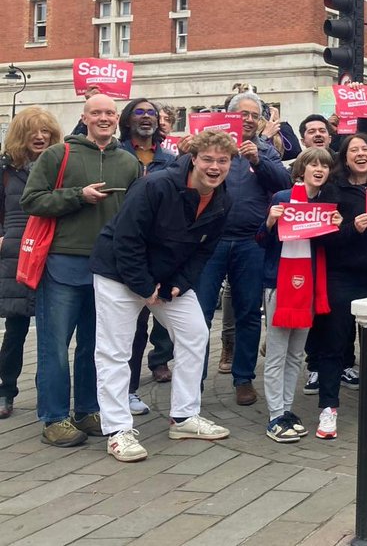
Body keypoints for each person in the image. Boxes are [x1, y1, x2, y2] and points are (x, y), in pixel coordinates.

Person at [90, 129, 236, 462]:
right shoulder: (155, 185)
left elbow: (205, 251)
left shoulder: (223, 199)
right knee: (115, 350)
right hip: (117, 273)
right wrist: (143, 287)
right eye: (209, 159)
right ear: (194, 158)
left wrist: (179, 284)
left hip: (166, 278)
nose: (215, 167)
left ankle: (184, 416)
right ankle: (117, 431)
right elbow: (126, 240)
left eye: (223, 161)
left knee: (196, 334)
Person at [21, 94, 141, 447]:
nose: (103, 118)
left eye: (109, 113)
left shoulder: (129, 162)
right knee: (54, 347)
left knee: (95, 346)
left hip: (107, 269)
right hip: (62, 264)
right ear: (84, 117)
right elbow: (31, 201)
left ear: (117, 118)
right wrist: (77, 195)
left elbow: (136, 215)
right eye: (96, 113)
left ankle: (88, 410)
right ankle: (55, 417)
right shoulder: (58, 155)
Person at [187, 91, 292, 406]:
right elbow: (185, 177)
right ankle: (193, 381)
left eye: (252, 114)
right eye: (241, 113)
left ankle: (243, 378)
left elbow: (282, 183)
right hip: (210, 241)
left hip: (251, 242)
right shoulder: (211, 148)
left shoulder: (262, 149)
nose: (247, 119)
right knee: (199, 313)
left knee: (248, 312)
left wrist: (258, 162)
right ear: (229, 115)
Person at [309, 134, 367, 439]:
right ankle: (328, 409)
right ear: (344, 158)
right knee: (334, 342)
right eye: (353, 151)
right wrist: (352, 229)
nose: (360, 154)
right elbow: (321, 237)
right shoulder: (332, 191)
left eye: (365, 149)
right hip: (343, 277)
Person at [259, 148, 344, 442]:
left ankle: (285, 408)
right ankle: (274, 415)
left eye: (325, 165)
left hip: (310, 284)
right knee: (277, 352)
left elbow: (329, 247)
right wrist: (270, 220)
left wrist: (336, 228)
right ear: (302, 169)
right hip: (280, 282)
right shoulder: (283, 198)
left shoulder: (325, 205)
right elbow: (261, 239)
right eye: (313, 164)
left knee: (296, 353)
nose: (319, 169)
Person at [0, 107, 61, 419]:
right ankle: (5, 389)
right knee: (16, 326)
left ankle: (47, 393)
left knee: (53, 331)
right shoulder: (6, 170)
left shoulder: (60, 166)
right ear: (20, 136)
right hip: (15, 250)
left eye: (45, 131)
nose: (40, 137)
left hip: (50, 248)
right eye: (33, 132)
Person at [117, 98, 176, 415]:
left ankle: (131, 390)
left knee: (150, 322)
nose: (146, 117)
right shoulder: (115, 155)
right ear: (127, 120)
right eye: (139, 112)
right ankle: (117, 390)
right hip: (123, 249)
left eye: (151, 113)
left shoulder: (168, 159)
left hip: (158, 251)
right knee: (125, 328)